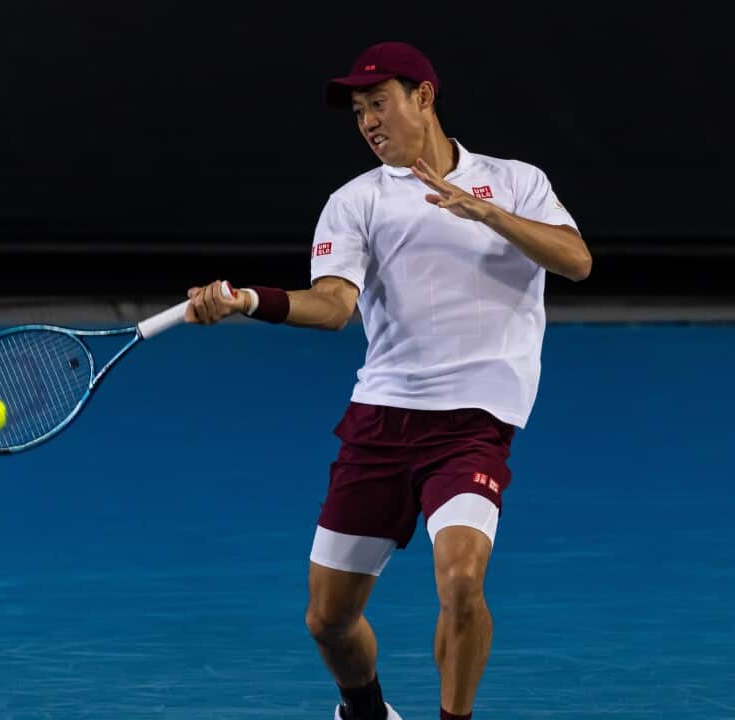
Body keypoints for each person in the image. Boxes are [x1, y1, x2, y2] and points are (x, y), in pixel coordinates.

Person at [185, 40, 590, 720]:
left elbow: (576, 261)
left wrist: (487, 212)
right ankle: (365, 712)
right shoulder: (355, 202)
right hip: (381, 422)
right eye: (357, 112)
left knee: (462, 582)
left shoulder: (516, 181)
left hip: (473, 426)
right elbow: (334, 306)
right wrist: (249, 299)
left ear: (423, 98)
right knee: (328, 621)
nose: (369, 121)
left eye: (379, 103)